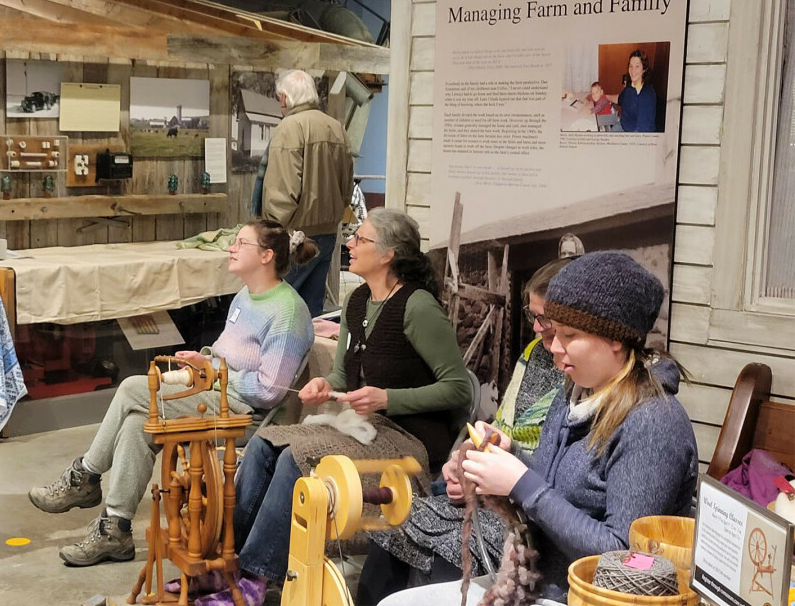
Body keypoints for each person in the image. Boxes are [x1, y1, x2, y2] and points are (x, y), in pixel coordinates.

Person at [378, 251, 698, 605]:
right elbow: (552, 487)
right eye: (554, 333)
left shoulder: (653, 423)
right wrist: (504, 456)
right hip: (540, 585)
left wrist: (522, 482)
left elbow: (622, 560)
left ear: (615, 338)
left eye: (570, 335)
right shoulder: (574, 393)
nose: (556, 349)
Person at [192, 208, 472, 606]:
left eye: (361, 239)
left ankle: (256, 579)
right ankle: (228, 564)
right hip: (361, 426)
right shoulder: (357, 301)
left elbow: (459, 389)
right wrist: (325, 386)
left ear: (389, 253)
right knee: (264, 445)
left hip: (409, 441)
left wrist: (389, 398)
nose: (351, 244)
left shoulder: (418, 307)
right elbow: (341, 377)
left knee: (297, 460)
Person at [28, 219, 316, 567]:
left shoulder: (288, 312)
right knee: (136, 423)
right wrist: (205, 359)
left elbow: (270, 390)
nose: (231, 248)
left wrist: (214, 375)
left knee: (133, 387)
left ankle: (85, 476)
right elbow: (228, 355)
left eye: (241, 243)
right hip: (217, 392)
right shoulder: (245, 296)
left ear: (267, 255)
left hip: (246, 415)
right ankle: (115, 531)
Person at [357, 256, 573, 604]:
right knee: (396, 523)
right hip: (501, 490)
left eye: (544, 319)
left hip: (528, 514)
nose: (535, 328)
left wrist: (495, 476)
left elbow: (552, 475)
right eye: (533, 317)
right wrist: (466, 461)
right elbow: (502, 428)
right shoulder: (535, 354)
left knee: (455, 546)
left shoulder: (575, 379)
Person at [260, 69, 353, 318]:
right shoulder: (337, 128)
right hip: (327, 235)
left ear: (284, 99)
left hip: (294, 238)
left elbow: (281, 191)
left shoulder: (289, 128)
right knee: (311, 314)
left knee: (277, 312)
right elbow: (347, 190)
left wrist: (270, 234)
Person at [615, 50, 657, 132]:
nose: (633, 70)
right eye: (631, 66)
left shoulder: (646, 95)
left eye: (637, 66)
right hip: (622, 125)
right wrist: (603, 96)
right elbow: (619, 99)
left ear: (644, 69)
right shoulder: (630, 88)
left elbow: (642, 132)